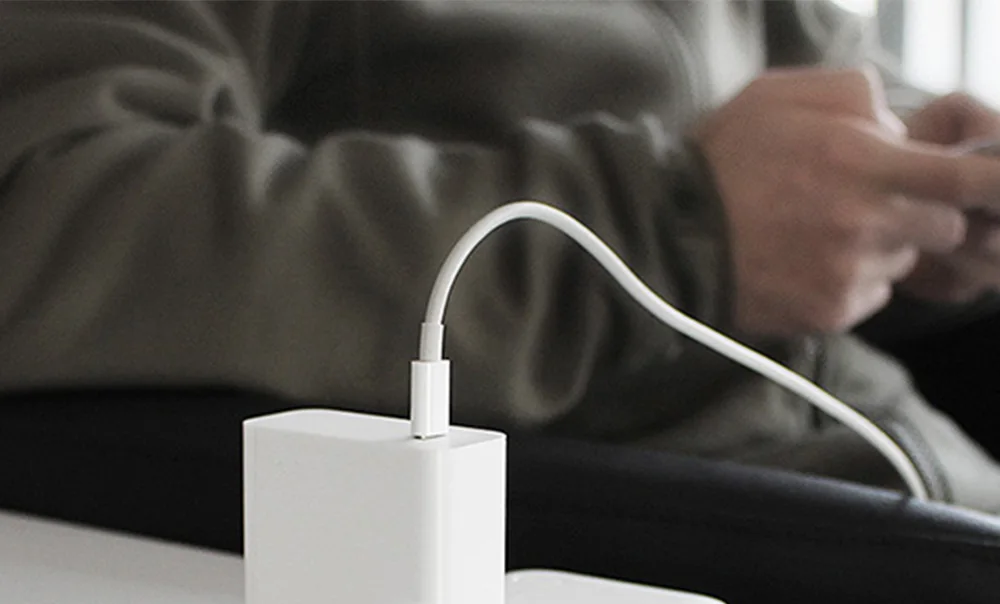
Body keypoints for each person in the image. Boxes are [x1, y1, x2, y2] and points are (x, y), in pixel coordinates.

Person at [2, 0, 1000, 510]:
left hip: (876, 463)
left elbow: (812, 65)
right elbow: (48, 207)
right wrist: (669, 226)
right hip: (615, 551)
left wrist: (916, 177)